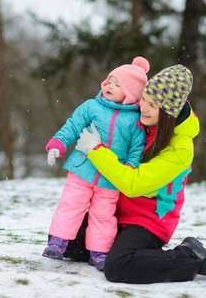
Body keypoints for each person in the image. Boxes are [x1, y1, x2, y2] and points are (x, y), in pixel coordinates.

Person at [69, 64, 206, 283]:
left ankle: (191, 257)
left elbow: (134, 184)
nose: (142, 107)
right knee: (67, 241)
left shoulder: (180, 148)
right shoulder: (143, 119)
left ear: (167, 112)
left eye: (152, 105)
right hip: (116, 209)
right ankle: (114, 244)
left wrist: (95, 150)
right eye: (143, 99)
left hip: (148, 220)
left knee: (118, 267)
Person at [42, 57, 150, 271]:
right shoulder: (91, 107)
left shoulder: (135, 121)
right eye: (110, 81)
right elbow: (72, 126)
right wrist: (58, 144)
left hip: (110, 180)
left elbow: (136, 150)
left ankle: (99, 252)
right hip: (82, 169)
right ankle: (57, 242)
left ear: (130, 93)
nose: (110, 86)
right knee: (71, 205)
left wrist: (128, 169)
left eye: (118, 84)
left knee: (103, 216)